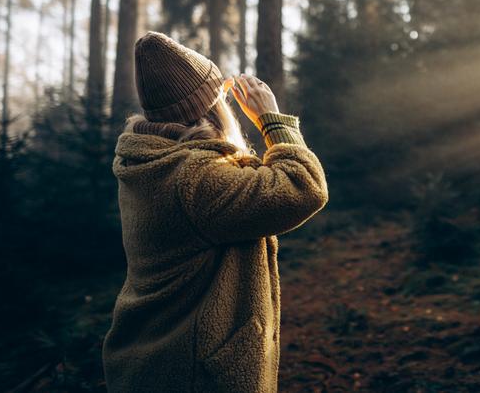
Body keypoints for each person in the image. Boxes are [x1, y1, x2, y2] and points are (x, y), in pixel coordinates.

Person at [102, 31, 328, 392]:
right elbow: (303, 186)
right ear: (208, 108)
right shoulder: (193, 180)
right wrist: (272, 119)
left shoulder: (152, 163)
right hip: (194, 372)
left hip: (155, 361)